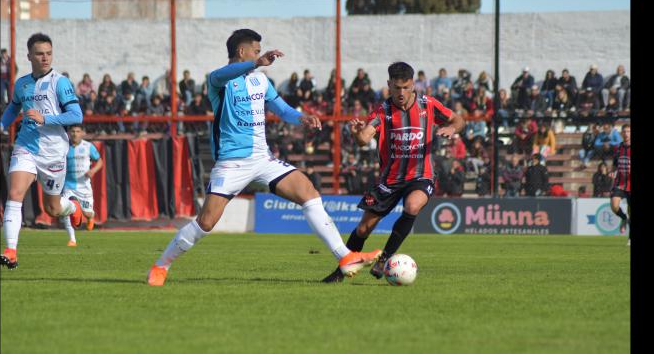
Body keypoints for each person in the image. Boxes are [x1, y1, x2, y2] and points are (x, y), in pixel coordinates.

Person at [147, 29, 380, 286]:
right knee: (206, 222)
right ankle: (161, 265)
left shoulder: (260, 81)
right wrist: (257, 62)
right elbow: (223, 74)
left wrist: (302, 118)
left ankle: (345, 257)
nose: (260, 55)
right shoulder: (218, 81)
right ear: (242, 52)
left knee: (309, 192)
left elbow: (280, 108)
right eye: (256, 51)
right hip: (231, 163)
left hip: (263, 159)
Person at [321, 62, 464, 283]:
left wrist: (452, 128)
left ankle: (384, 258)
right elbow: (364, 139)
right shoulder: (383, 111)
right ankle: (341, 271)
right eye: (396, 88)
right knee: (364, 228)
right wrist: (357, 133)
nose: (401, 93)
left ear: (413, 85)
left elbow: (458, 119)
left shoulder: (429, 104)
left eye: (405, 87)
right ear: (389, 85)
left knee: (412, 206)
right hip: (390, 179)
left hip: (420, 174)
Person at [0, 33, 84, 269]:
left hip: (54, 152)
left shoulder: (60, 82)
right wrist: (1, 124)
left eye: (48, 53)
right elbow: (13, 108)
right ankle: (11, 250)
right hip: (26, 146)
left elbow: (77, 116)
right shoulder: (22, 84)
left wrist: (45, 118)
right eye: (39, 53)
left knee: (53, 208)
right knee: (14, 194)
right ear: (29, 56)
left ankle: (73, 207)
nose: (45, 58)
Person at [60, 124, 104, 244]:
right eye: (73, 131)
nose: (75, 134)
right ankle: (72, 239)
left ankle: (90, 217)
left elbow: (100, 161)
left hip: (84, 187)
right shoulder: (64, 147)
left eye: (78, 131)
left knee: (87, 213)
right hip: (68, 185)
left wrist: (93, 171)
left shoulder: (88, 146)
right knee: (66, 211)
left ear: (83, 133)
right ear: (69, 133)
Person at [610, 124, 631, 245]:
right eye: (624, 131)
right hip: (620, 183)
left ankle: (630, 238)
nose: (626, 134)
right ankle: (624, 218)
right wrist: (612, 172)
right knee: (614, 206)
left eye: (628, 131)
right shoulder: (619, 148)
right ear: (621, 133)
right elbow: (614, 164)